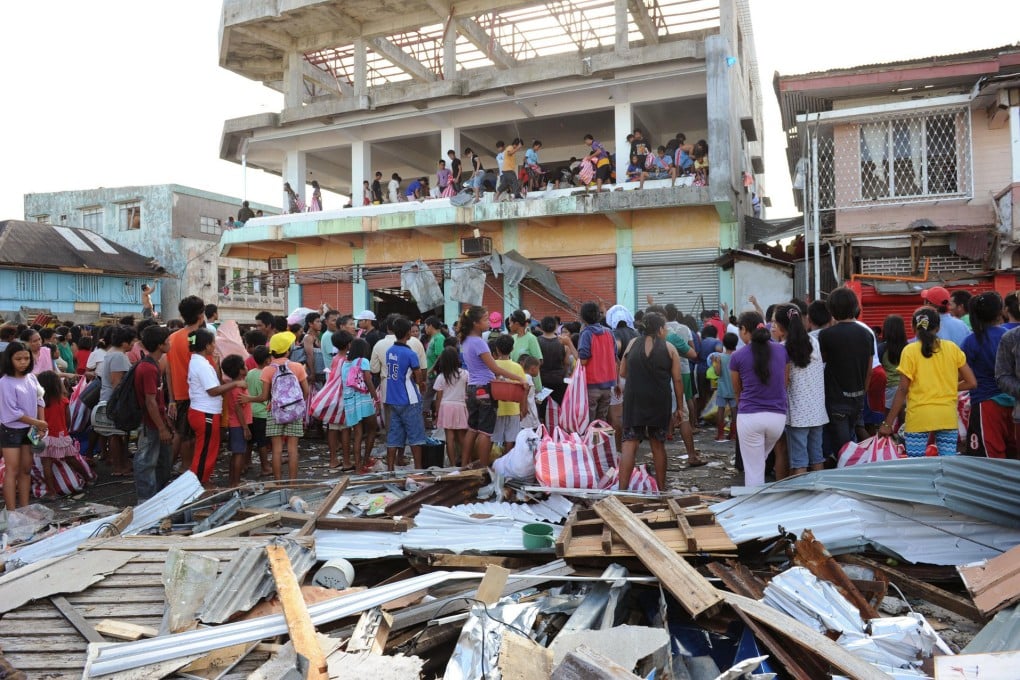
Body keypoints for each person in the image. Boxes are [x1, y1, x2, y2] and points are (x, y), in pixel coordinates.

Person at [882, 307, 976, 457]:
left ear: (913, 328)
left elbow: (902, 390)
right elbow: (971, 382)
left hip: (918, 417)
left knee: (916, 466)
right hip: (946, 416)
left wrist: (888, 424)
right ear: (938, 327)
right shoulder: (952, 348)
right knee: (947, 465)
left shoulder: (910, 351)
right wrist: (949, 387)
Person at [617, 313, 684, 491]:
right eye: (666, 328)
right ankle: (661, 490)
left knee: (629, 444)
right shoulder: (670, 348)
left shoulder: (632, 344)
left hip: (634, 399)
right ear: (661, 329)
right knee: (658, 444)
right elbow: (677, 380)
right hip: (659, 401)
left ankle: (622, 491)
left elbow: (622, 372)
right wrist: (680, 408)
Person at [458, 306, 528, 467]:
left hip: (472, 388)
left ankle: (464, 465)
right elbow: (495, 368)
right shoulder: (479, 343)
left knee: (472, 428)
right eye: (485, 319)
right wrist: (519, 378)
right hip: (484, 389)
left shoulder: (466, 341)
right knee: (485, 432)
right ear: (475, 323)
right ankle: (483, 468)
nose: (489, 322)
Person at [730, 311, 789, 486]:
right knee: (758, 461)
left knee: (753, 469)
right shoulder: (782, 351)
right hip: (777, 418)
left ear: (744, 330)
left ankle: (754, 510)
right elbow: (784, 382)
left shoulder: (737, 356)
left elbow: (737, 391)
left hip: (750, 417)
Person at [242, 331, 309, 481]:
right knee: (292, 450)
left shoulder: (267, 369)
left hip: (275, 412)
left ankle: (278, 483)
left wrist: (248, 398)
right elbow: (306, 391)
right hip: (294, 411)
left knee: (276, 450)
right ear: (287, 350)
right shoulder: (297, 367)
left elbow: (264, 397)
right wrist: (296, 404)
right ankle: (292, 483)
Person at [818, 288, 874, 459]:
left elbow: (821, 363)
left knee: (843, 451)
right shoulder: (866, 334)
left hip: (835, 399)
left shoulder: (826, 335)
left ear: (831, 309)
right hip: (857, 398)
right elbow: (869, 370)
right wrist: (862, 393)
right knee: (851, 444)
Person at [772, 304, 828, 475]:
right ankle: (819, 496)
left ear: (782, 326)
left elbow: (783, 381)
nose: (772, 326)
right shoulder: (814, 343)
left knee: (799, 461)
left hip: (797, 414)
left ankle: (801, 498)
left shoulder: (782, 348)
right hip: (817, 411)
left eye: (774, 323)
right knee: (817, 457)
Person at [961, 292, 1015, 458]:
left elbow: (959, 375)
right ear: (1000, 312)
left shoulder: (971, 341)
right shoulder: (1010, 336)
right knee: (1014, 453)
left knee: (990, 458)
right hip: (1014, 402)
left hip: (986, 404)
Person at [0, 342, 46, 509]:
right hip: (10, 430)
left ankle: (25, 508)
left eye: (26, 358)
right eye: (18, 358)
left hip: (31, 429)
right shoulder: (5, 382)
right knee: (11, 470)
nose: (23, 362)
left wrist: (41, 425)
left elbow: (40, 399)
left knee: (26, 469)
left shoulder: (32, 377)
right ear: (9, 360)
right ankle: (12, 512)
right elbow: (12, 412)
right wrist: (38, 422)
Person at [166, 297, 207, 474]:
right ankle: (187, 469)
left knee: (182, 434)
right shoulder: (198, 338)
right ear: (200, 314)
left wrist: (172, 399)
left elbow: (168, 370)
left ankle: (178, 467)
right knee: (190, 437)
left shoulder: (172, 338)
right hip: (198, 395)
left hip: (179, 393)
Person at [36, 371, 91, 498]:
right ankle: (88, 478)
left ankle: (51, 492)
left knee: (46, 465)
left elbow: (36, 421)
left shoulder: (39, 403)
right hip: (61, 435)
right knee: (71, 458)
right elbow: (68, 420)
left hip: (44, 437)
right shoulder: (63, 401)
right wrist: (65, 431)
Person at [134, 325, 172, 501]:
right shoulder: (148, 368)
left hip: (157, 422)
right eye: (167, 340)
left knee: (162, 461)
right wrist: (161, 427)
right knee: (146, 462)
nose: (170, 343)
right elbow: (150, 401)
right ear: (160, 345)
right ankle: (146, 501)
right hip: (151, 424)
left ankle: (157, 497)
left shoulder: (152, 364)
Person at [93, 325, 136, 478]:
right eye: (132, 341)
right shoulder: (119, 357)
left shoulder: (112, 353)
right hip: (114, 400)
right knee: (116, 434)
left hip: (109, 398)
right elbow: (116, 382)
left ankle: (121, 464)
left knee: (115, 434)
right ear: (124, 342)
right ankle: (120, 466)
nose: (133, 344)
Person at [383, 317, 426, 471]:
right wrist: (421, 384)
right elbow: (418, 374)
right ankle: (419, 469)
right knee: (416, 435)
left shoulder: (390, 352)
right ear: (409, 333)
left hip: (392, 398)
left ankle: (390, 470)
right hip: (409, 399)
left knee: (394, 435)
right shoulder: (410, 354)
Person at [577, 302, 618, 423]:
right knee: (601, 421)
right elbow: (615, 356)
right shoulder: (609, 332)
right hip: (607, 385)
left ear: (583, 317)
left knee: (590, 423)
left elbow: (583, 361)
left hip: (591, 385)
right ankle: (601, 442)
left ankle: (591, 442)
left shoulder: (586, 334)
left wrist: (569, 343)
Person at [343, 337, 379, 473]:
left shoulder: (344, 364)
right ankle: (366, 460)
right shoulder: (363, 361)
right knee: (372, 429)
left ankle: (358, 467)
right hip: (363, 398)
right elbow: (368, 381)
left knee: (357, 434)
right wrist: (376, 399)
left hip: (349, 401)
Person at [433, 346, 469, 465]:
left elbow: (438, 397)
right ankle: (466, 462)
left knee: (449, 438)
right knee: (461, 437)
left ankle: (452, 465)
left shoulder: (441, 377)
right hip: (460, 406)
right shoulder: (465, 374)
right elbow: (468, 391)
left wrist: (437, 412)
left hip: (446, 407)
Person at [492, 334, 527, 453]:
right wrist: (523, 408)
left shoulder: (492, 365)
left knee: (493, 437)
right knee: (510, 439)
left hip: (496, 408)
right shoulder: (517, 367)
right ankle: (506, 461)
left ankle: (493, 461)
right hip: (513, 409)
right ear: (512, 349)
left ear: (496, 349)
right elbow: (524, 389)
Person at [221, 354, 252, 487]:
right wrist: (245, 428)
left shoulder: (233, 385)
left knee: (236, 453)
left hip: (236, 424)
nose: (247, 367)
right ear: (240, 370)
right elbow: (238, 409)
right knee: (239, 453)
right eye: (244, 366)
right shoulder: (237, 388)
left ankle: (232, 480)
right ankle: (235, 482)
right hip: (238, 425)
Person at [246, 345, 273, 478]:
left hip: (250, 412)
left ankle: (247, 462)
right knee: (262, 442)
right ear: (268, 360)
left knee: (250, 441)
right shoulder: (268, 374)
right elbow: (266, 395)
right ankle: (265, 467)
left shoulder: (250, 373)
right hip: (263, 412)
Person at [711, 333, 739, 442]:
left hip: (722, 389)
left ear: (724, 344)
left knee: (721, 411)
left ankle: (720, 434)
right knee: (734, 412)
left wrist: (715, 362)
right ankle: (733, 434)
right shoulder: (737, 356)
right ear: (736, 344)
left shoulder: (719, 357)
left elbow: (717, 373)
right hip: (734, 389)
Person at [879, 315, 908, 414]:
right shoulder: (908, 347)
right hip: (907, 387)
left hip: (888, 389)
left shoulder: (882, 348)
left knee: (888, 420)